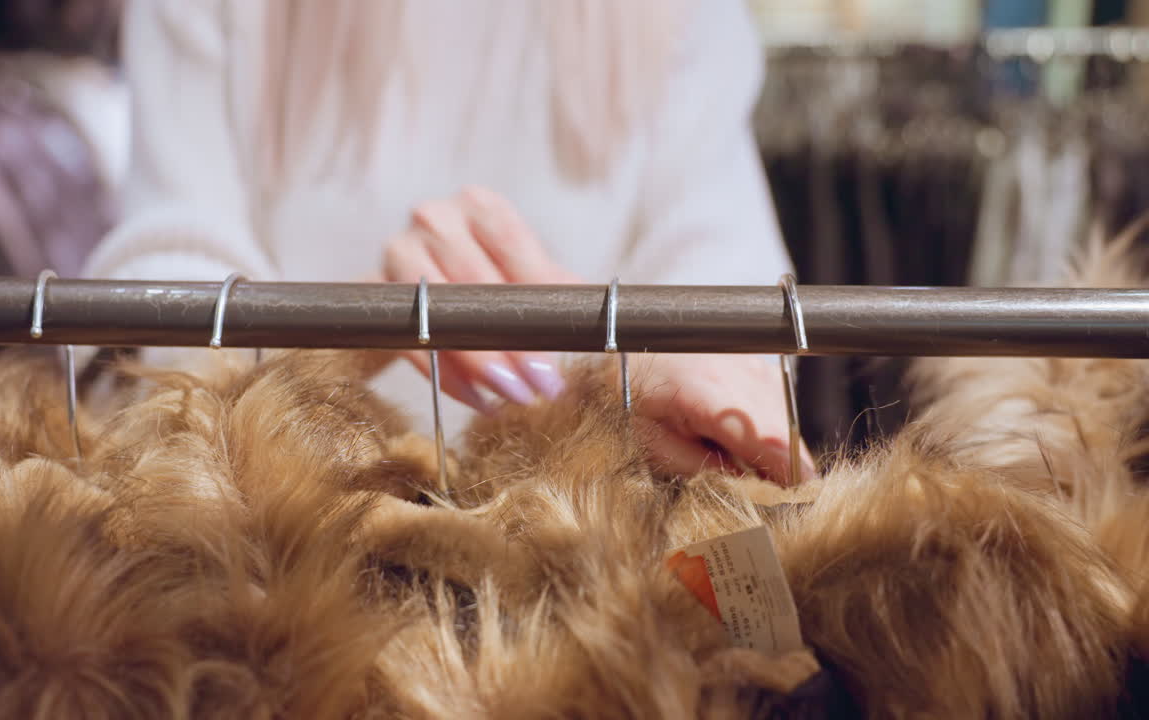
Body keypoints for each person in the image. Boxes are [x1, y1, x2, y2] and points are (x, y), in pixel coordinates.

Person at [83, 0, 814, 485]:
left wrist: (627, 357)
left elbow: (732, 288)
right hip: (293, 545)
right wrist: (354, 330)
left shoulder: (687, 17)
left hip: (592, 559)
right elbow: (166, 272)